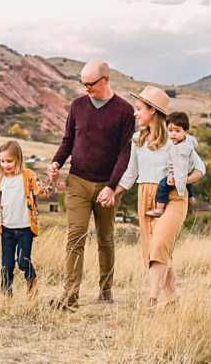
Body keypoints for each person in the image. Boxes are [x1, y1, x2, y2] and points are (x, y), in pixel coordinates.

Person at [47, 59, 135, 309]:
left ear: (105, 80)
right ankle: (70, 296)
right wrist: (56, 162)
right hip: (77, 182)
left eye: (90, 84)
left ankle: (105, 292)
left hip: (107, 187)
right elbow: (68, 140)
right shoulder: (77, 106)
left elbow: (124, 154)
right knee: (75, 238)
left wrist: (111, 186)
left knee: (106, 239)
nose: (86, 89)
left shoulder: (124, 111)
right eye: (83, 84)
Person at [110, 86, 205, 307]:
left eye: (139, 109)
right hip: (146, 196)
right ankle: (172, 301)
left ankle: (152, 300)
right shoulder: (137, 139)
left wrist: (180, 180)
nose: (135, 114)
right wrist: (112, 193)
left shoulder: (178, 139)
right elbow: (131, 174)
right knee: (153, 251)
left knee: (159, 244)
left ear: (152, 110)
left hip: (172, 198)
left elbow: (201, 170)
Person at [0, 140, 47, 297]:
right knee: (6, 265)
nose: (5, 165)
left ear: (18, 159)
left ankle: (32, 282)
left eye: (9, 161)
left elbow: (40, 192)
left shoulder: (28, 176)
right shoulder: (0, 179)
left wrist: (48, 186)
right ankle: (6, 297)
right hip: (7, 229)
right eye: (2, 161)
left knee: (23, 261)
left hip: (25, 229)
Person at [146, 111, 199, 218]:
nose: (173, 134)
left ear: (185, 132)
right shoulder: (182, 142)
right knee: (189, 181)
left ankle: (159, 209)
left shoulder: (182, 148)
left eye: (177, 131)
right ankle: (191, 196)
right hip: (187, 171)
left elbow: (180, 168)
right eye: (170, 131)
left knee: (163, 185)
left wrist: (173, 178)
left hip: (180, 172)